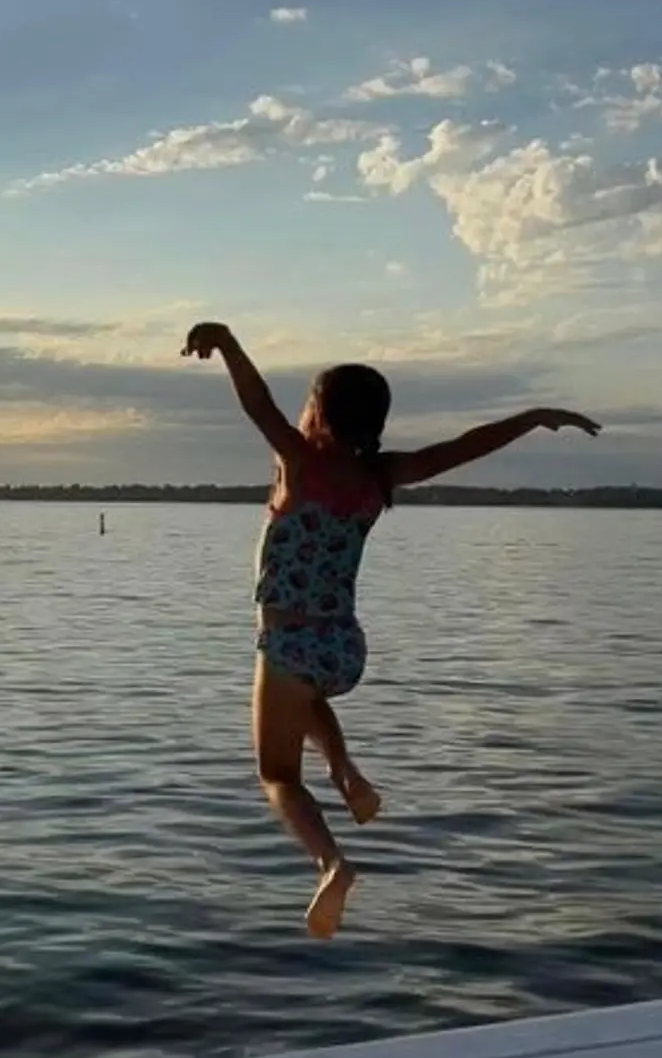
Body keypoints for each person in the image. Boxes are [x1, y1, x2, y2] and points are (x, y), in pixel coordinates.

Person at [182, 321, 600, 939]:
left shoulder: (297, 463)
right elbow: (462, 447)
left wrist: (228, 343)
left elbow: (257, 403)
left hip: (291, 640)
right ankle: (348, 773)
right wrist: (533, 416)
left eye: (309, 404)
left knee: (277, 776)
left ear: (318, 414)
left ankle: (332, 865)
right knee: (307, 697)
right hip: (345, 647)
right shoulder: (382, 478)